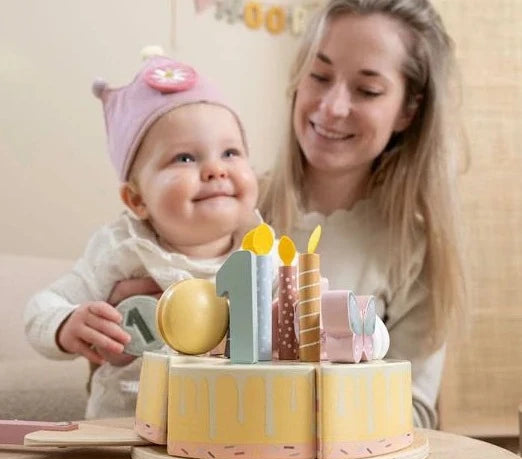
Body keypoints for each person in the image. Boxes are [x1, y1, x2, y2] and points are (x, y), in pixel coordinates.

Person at [259, 0, 467, 429]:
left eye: (367, 90)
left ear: (408, 111)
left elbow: (413, 413)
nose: (333, 106)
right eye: (319, 76)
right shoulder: (228, 207)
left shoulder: (416, 252)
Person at [24, 52, 260, 419]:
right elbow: (41, 307)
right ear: (136, 199)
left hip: (231, 429)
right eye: (184, 158)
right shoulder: (121, 251)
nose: (215, 169)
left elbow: (306, 319)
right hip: (124, 432)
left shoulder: (266, 255)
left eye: (231, 152)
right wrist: (67, 324)